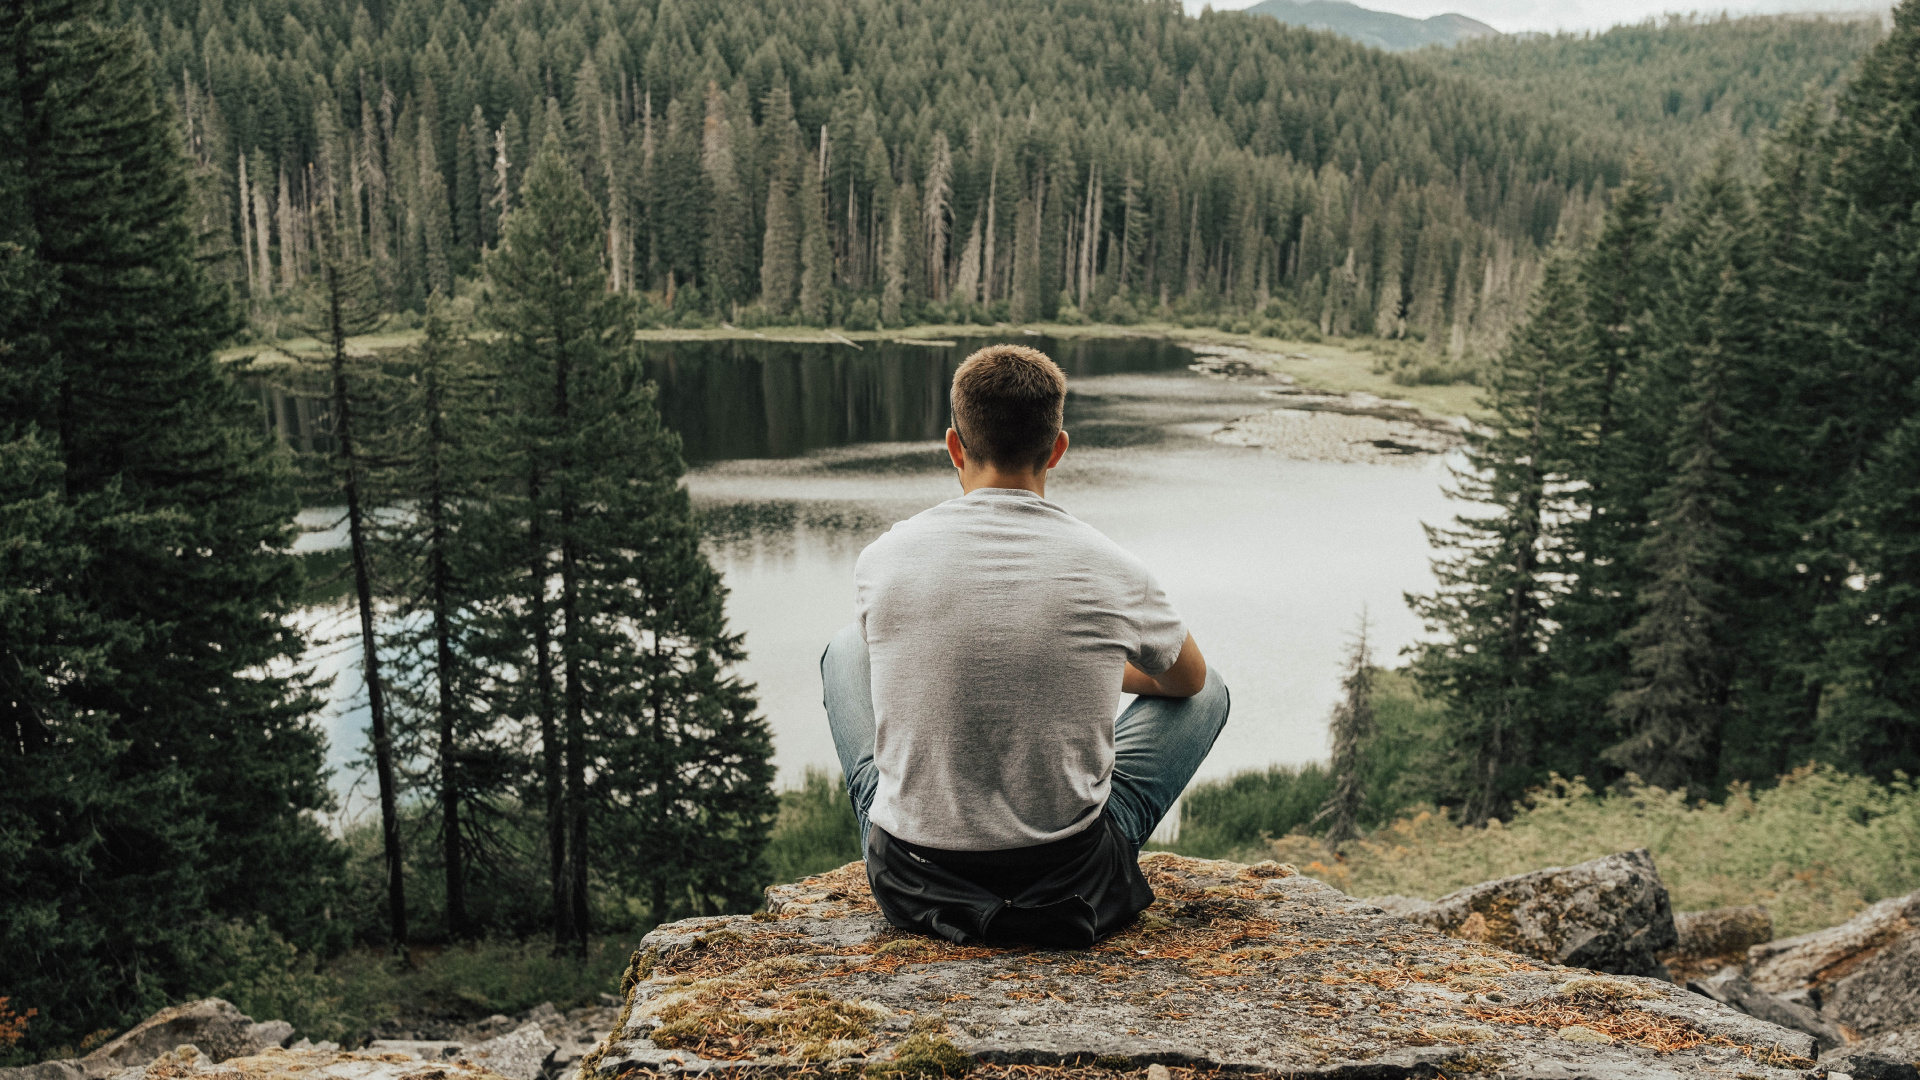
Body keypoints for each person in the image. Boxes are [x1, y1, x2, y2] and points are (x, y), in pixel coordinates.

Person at [819, 343, 1231, 947]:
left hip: (912, 879)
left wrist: (1068, 664)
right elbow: (1189, 683)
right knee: (1212, 690)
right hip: (1070, 882)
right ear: (1058, 449)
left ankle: (912, 829)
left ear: (955, 447)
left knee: (845, 650)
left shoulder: (884, 558)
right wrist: (1089, 665)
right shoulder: (1111, 567)